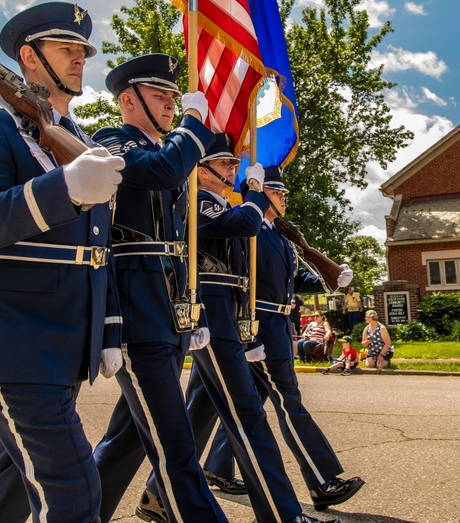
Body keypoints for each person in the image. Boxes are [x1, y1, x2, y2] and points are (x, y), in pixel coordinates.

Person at [0, 1, 125, 523]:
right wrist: (64, 188)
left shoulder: (83, 144)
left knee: (8, 488)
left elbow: (101, 246)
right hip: (17, 338)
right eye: (65, 49)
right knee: (72, 492)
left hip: (67, 341)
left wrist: (109, 327)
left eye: (83, 51)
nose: (79, 58)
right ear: (29, 58)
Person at [135, 135, 328, 523]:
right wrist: (256, 193)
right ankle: (283, 515)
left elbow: (244, 273)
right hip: (211, 316)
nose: (232, 169)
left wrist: (249, 332)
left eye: (232, 163)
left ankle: (157, 496)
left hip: (230, 319)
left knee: (203, 413)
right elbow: (239, 225)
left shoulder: (224, 203)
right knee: (247, 416)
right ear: (200, 169)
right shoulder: (197, 201)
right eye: (223, 164)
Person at [90, 53, 230, 523]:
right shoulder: (112, 142)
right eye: (160, 95)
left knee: (129, 438)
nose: (172, 102)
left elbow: (184, 244)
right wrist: (194, 123)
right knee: (176, 444)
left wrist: (197, 314)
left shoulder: (171, 152)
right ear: (128, 101)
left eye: (174, 96)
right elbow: (163, 170)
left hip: (169, 311)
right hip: (137, 312)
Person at [203, 166, 365, 513]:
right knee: (290, 403)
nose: (283, 199)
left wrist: (327, 277)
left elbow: (291, 282)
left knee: (252, 403)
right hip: (260, 327)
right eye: (278, 194)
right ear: (262, 196)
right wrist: (248, 338)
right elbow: (240, 285)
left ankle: (216, 467)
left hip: (279, 327)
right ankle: (323, 481)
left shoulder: (277, 234)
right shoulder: (248, 232)